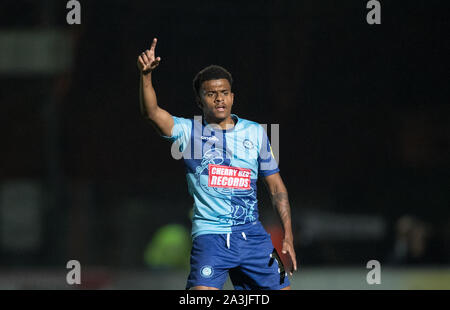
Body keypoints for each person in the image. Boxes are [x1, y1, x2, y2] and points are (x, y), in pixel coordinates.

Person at [137, 38, 297, 290]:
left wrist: (287, 232)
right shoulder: (188, 132)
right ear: (200, 101)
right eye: (211, 94)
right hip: (211, 237)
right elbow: (152, 113)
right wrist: (146, 76)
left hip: (253, 236)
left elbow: (275, 186)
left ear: (232, 97)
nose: (219, 99)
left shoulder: (255, 132)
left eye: (224, 93)